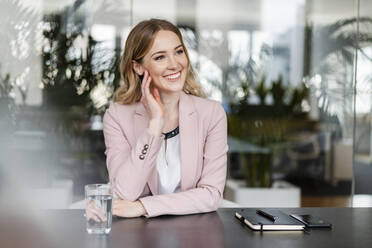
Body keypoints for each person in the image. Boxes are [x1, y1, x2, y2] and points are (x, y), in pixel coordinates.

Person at [87, 18, 227, 219]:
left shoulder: (212, 114)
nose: (175, 64)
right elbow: (126, 192)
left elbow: (211, 194)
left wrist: (144, 206)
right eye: (160, 57)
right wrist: (155, 125)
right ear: (138, 67)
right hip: (138, 233)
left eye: (179, 52)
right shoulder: (117, 116)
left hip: (194, 230)